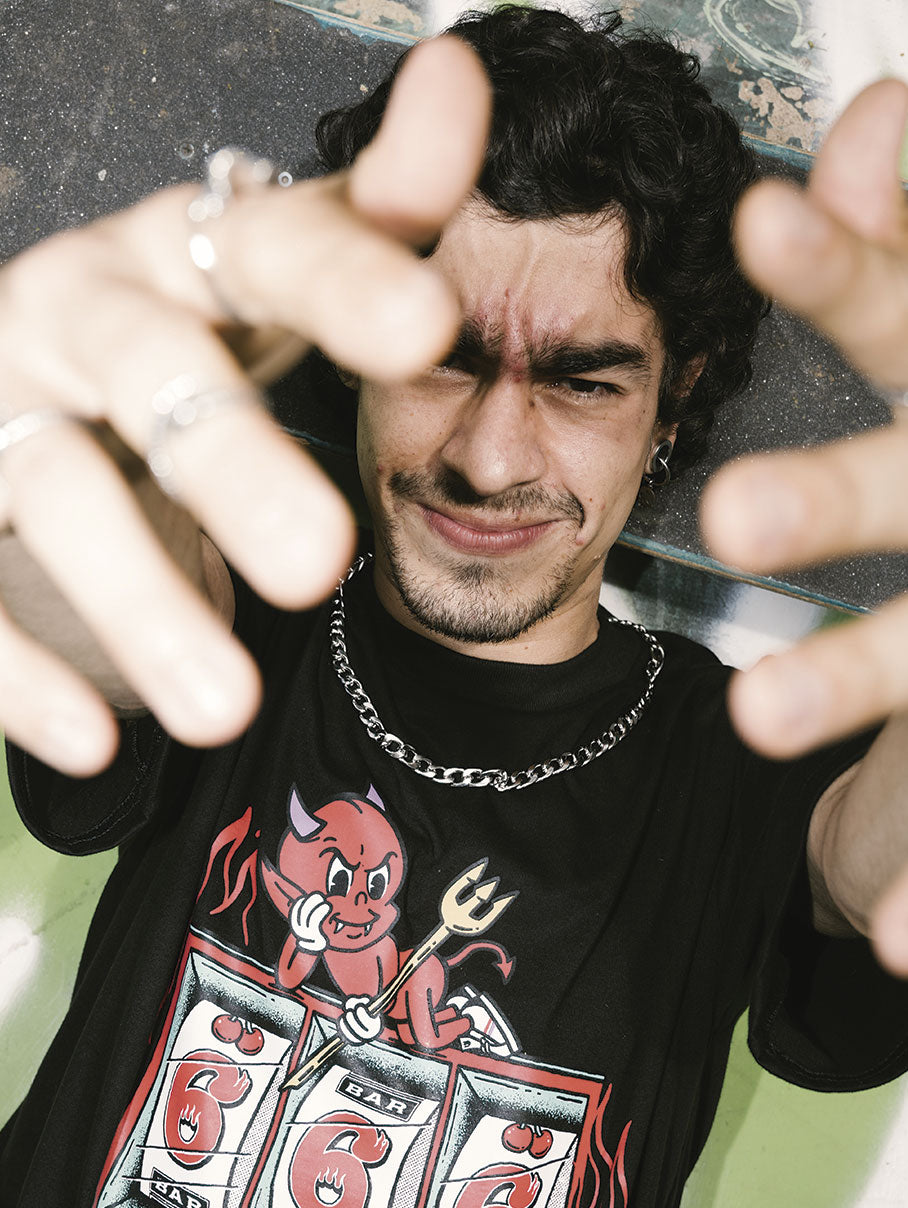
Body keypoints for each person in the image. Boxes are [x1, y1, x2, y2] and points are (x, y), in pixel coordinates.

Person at [0, 7, 907, 1207]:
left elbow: (868, 876)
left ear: (673, 396)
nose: (487, 457)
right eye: (444, 354)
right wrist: (26, 421)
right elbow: (101, 609)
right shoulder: (238, 612)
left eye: (579, 382)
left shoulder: (747, 753)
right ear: (354, 341)